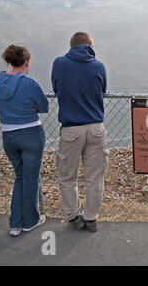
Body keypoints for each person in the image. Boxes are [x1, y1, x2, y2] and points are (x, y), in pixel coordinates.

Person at [51, 32, 108, 232]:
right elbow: (103, 90)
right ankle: (91, 217)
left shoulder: (59, 64)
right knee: (94, 176)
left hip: (71, 129)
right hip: (95, 128)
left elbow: (56, 88)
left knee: (67, 176)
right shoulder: (98, 66)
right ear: (90, 45)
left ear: (71, 45)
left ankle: (74, 216)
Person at [0, 45, 49, 237]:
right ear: (27, 62)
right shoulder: (30, 83)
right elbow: (44, 106)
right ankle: (30, 221)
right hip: (31, 133)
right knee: (31, 178)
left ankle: (15, 224)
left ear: (8, 61)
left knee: (20, 176)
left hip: (8, 136)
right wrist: (32, 105)